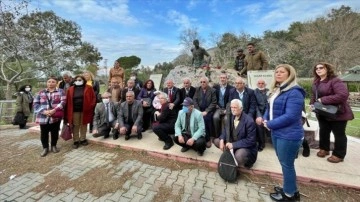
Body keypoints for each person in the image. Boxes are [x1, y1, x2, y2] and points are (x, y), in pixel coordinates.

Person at [262, 64, 305, 201]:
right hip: (277, 132)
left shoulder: (295, 92)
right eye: (276, 72)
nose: (278, 74)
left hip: (289, 135)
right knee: (284, 163)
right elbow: (269, 108)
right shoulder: (278, 90)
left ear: (290, 74)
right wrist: (265, 118)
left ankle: (289, 195)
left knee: (287, 165)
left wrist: (270, 124)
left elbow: (291, 116)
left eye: (282, 72)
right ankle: (290, 188)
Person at [310, 62, 354, 163]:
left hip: (337, 113)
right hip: (322, 112)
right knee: (324, 131)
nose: (318, 70)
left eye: (321, 68)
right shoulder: (316, 81)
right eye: (316, 68)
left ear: (327, 69)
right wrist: (312, 104)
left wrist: (323, 100)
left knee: (339, 134)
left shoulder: (335, 81)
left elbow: (343, 95)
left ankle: (338, 154)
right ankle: (324, 149)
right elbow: (314, 95)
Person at [213, 99, 258, 168]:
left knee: (239, 155)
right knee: (217, 141)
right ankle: (230, 155)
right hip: (232, 143)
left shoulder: (249, 121)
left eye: (235, 107)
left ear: (241, 109)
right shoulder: (231, 117)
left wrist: (233, 145)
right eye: (231, 107)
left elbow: (250, 140)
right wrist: (222, 139)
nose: (233, 109)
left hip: (245, 147)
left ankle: (238, 161)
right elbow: (226, 130)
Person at [33, 76, 66, 157]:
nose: (51, 84)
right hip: (43, 117)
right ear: (46, 83)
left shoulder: (61, 91)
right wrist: (44, 111)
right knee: (44, 133)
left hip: (55, 117)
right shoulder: (40, 92)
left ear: (56, 83)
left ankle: (53, 146)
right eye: (49, 82)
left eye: (53, 82)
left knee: (55, 133)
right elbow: (35, 104)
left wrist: (54, 110)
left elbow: (63, 102)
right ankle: (45, 148)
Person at [65, 75, 96, 149]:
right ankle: (76, 140)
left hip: (85, 110)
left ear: (83, 80)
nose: (78, 81)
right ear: (74, 81)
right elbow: (67, 101)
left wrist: (91, 106)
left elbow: (93, 98)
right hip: (74, 111)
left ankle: (83, 139)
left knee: (84, 125)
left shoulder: (89, 88)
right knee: (76, 125)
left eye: (80, 80)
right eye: (76, 80)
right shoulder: (70, 89)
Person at [193, 77, 217, 147]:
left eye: (204, 82)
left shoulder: (212, 90)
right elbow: (194, 100)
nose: (202, 83)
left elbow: (214, 102)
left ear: (207, 82)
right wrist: (198, 111)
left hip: (208, 110)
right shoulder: (197, 89)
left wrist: (206, 111)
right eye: (201, 82)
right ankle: (196, 135)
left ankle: (208, 139)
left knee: (205, 119)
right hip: (199, 110)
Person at [212, 73, 234, 137]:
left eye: (224, 78)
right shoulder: (215, 87)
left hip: (227, 108)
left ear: (227, 79)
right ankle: (217, 136)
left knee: (226, 119)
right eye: (221, 78)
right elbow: (213, 98)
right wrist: (215, 104)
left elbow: (231, 101)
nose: (222, 79)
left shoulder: (231, 88)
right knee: (215, 117)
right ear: (219, 79)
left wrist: (227, 109)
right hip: (218, 108)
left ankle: (226, 136)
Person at [254, 78, 270, 151]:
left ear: (265, 84)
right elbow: (255, 105)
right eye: (259, 83)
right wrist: (259, 116)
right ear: (257, 84)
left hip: (268, 112)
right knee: (259, 124)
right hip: (258, 112)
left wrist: (264, 116)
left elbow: (268, 105)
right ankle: (261, 143)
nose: (261, 85)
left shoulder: (269, 92)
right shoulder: (254, 92)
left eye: (262, 83)